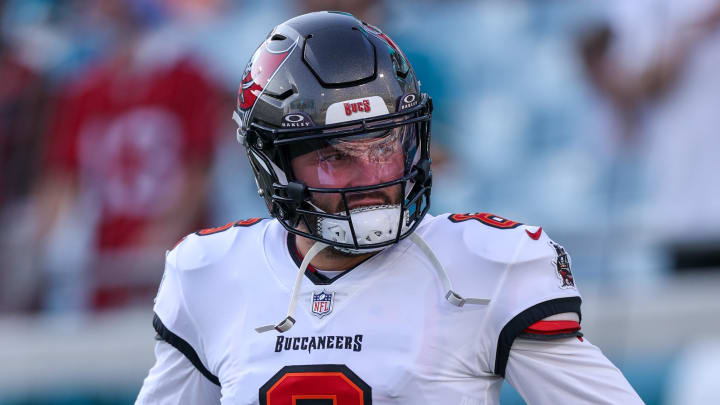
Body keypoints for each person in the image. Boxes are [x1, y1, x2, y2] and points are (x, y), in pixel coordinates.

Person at [136, 11, 642, 404]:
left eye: (382, 145)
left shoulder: (487, 267)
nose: (373, 178)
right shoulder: (210, 275)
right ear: (275, 164)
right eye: (334, 156)